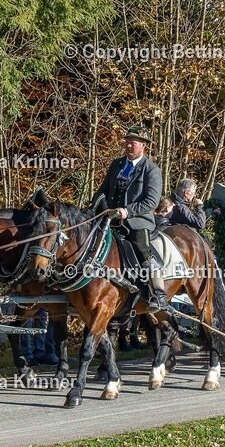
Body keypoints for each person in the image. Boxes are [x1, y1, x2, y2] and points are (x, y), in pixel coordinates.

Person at [94, 125, 167, 310]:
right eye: (126, 142)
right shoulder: (116, 164)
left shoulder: (151, 170)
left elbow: (151, 201)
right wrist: (98, 206)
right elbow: (103, 190)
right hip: (110, 218)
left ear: (143, 145)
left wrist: (127, 211)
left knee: (142, 248)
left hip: (137, 220)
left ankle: (158, 293)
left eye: (132, 143)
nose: (128, 146)